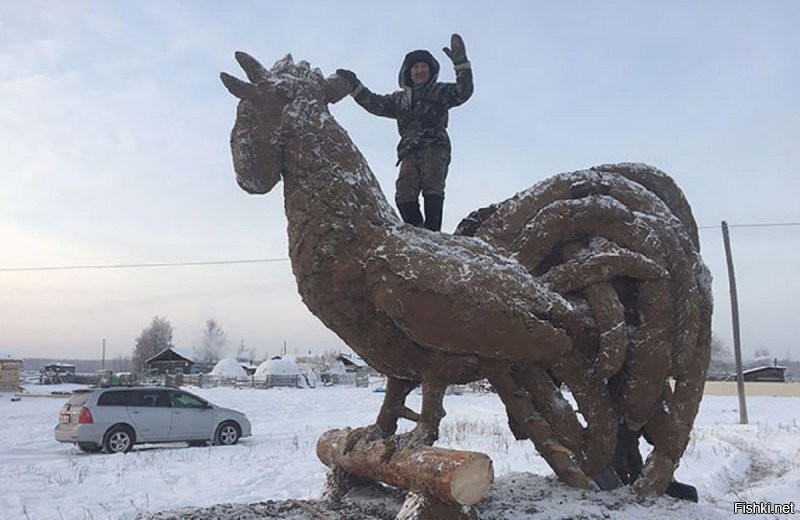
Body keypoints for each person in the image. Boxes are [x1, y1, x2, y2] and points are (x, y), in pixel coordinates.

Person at [336, 34, 474, 232]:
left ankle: (433, 233)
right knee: (404, 196)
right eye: (415, 67)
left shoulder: (440, 91)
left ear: (430, 70)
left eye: (423, 66)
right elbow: (375, 104)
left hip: (435, 146)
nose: (419, 70)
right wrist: (355, 86)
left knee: (432, 190)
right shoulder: (399, 99)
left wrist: (461, 65)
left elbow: (464, 92)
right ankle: (419, 231)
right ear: (408, 72)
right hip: (409, 151)